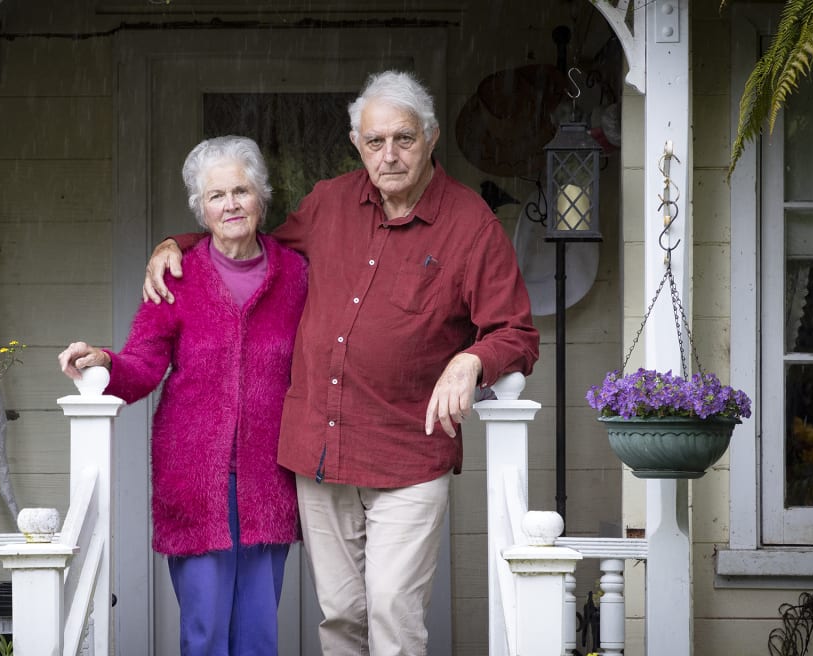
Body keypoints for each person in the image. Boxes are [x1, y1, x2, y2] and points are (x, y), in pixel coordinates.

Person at [144, 71, 540, 655]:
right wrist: (176, 242)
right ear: (357, 144)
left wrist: (472, 361)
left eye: (403, 138)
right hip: (321, 454)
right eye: (375, 141)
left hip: (407, 451)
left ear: (430, 137)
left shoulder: (469, 224)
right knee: (341, 617)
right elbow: (256, 244)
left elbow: (517, 331)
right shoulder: (329, 202)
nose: (390, 154)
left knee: (391, 615)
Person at [58, 136, 307, 656]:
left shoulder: (297, 275)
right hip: (194, 478)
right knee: (205, 632)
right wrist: (104, 359)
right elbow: (144, 364)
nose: (231, 204)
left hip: (271, 474)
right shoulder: (178, 275)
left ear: (262, 196)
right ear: (201, 208)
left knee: (259, 635)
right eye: (216, 196)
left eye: (241, 190)